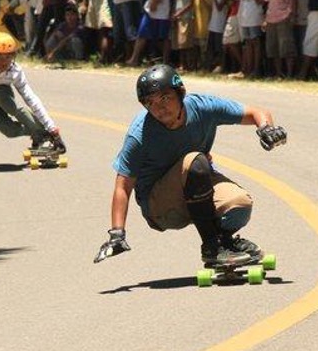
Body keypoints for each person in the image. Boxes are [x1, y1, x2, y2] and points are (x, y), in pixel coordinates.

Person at [93, 64, 287, 267]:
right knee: (196, 161)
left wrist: (267, 129)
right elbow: (123, 186)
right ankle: (212, 248)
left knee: (240, 205)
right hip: (160, 207)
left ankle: (225, 241)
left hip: (195, 184)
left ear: (181, 93)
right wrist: (117, 233)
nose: (159, 108)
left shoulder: (203, 107)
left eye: (165, 98)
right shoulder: (140, 134)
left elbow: (256, 112)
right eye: (151, 102)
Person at [264, 0, 297, 78]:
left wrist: (292, 13)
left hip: (284, 16)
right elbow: (268, 1)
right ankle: (278, 73)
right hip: (271, 18)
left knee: (287, 48)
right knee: (273, 49)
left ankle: (289, 73)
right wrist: (265, 18)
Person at [234, 0, 266, 78]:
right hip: (244, 14)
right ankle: (246, 69)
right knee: (247, 42)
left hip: (255, 13)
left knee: (255, 42)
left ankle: (256, 69)